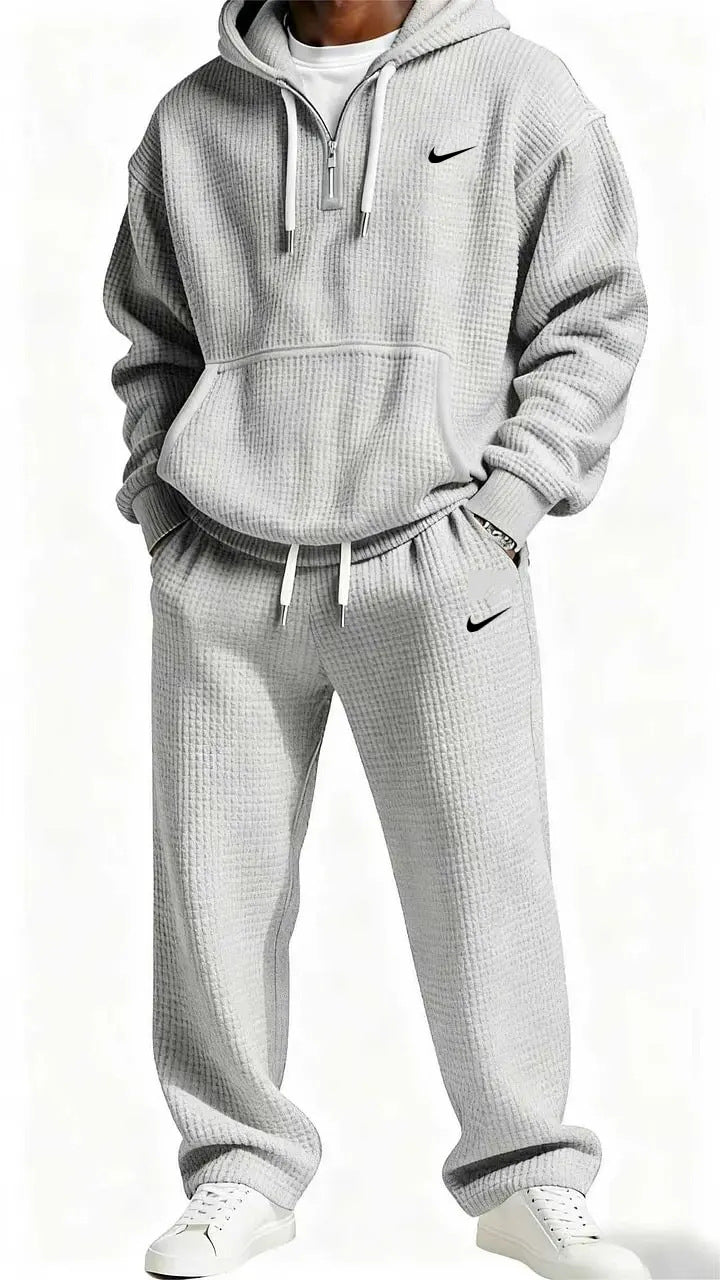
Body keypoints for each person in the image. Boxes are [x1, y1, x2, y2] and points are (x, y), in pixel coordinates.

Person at [102, 1, 650, 1275]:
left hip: (438, 562)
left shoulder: (519, 92)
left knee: (484, 874)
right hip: (225, 568)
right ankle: (238, 1167)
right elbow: (154, 340)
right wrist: (160, 506)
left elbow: (594, 314)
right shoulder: (192, 119)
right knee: (213, 889)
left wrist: (508, 506)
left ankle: (527, 1175)